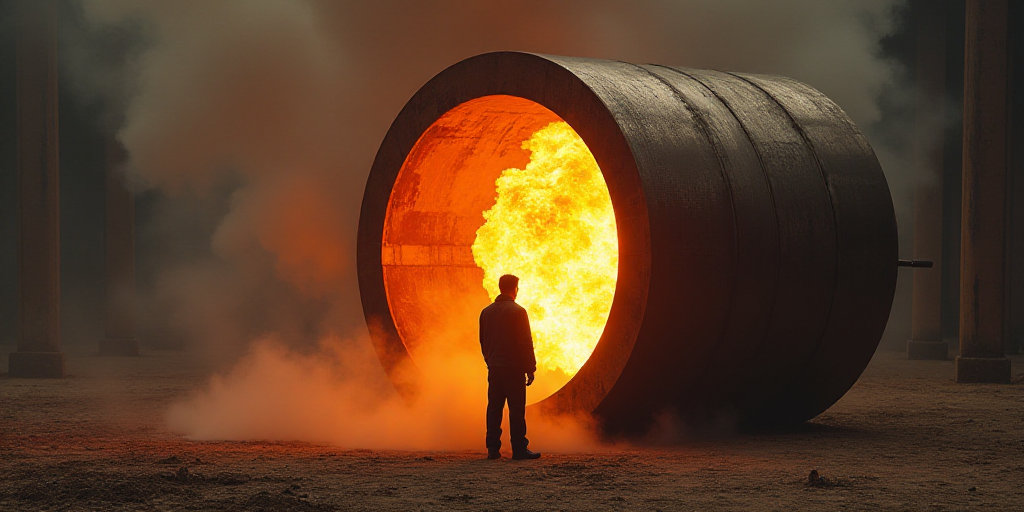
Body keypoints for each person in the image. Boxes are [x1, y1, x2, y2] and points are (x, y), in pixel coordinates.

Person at [478, 274, 541, 460]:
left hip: (495, 367)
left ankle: (492, 449)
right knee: (516, 409)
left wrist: (490, 361)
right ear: (515, 289)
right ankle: (519, 448)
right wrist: (530, 367)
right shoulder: (518, 312)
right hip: (513, 368)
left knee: (494, 408)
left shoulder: (486, 312)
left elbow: (483, 341)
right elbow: (525, 341)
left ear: (500, 288)